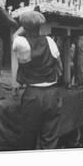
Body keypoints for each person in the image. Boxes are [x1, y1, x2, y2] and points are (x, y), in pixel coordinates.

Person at [12, 10, 63, 150]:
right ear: (40, 26)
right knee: (50, 138)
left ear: (24, 26)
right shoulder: (49, 40)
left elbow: (15, 35)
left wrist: (25, 25)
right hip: (52, 93)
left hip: (33, 95)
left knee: (27, 138)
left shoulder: (21, 43)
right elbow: (59, 65)